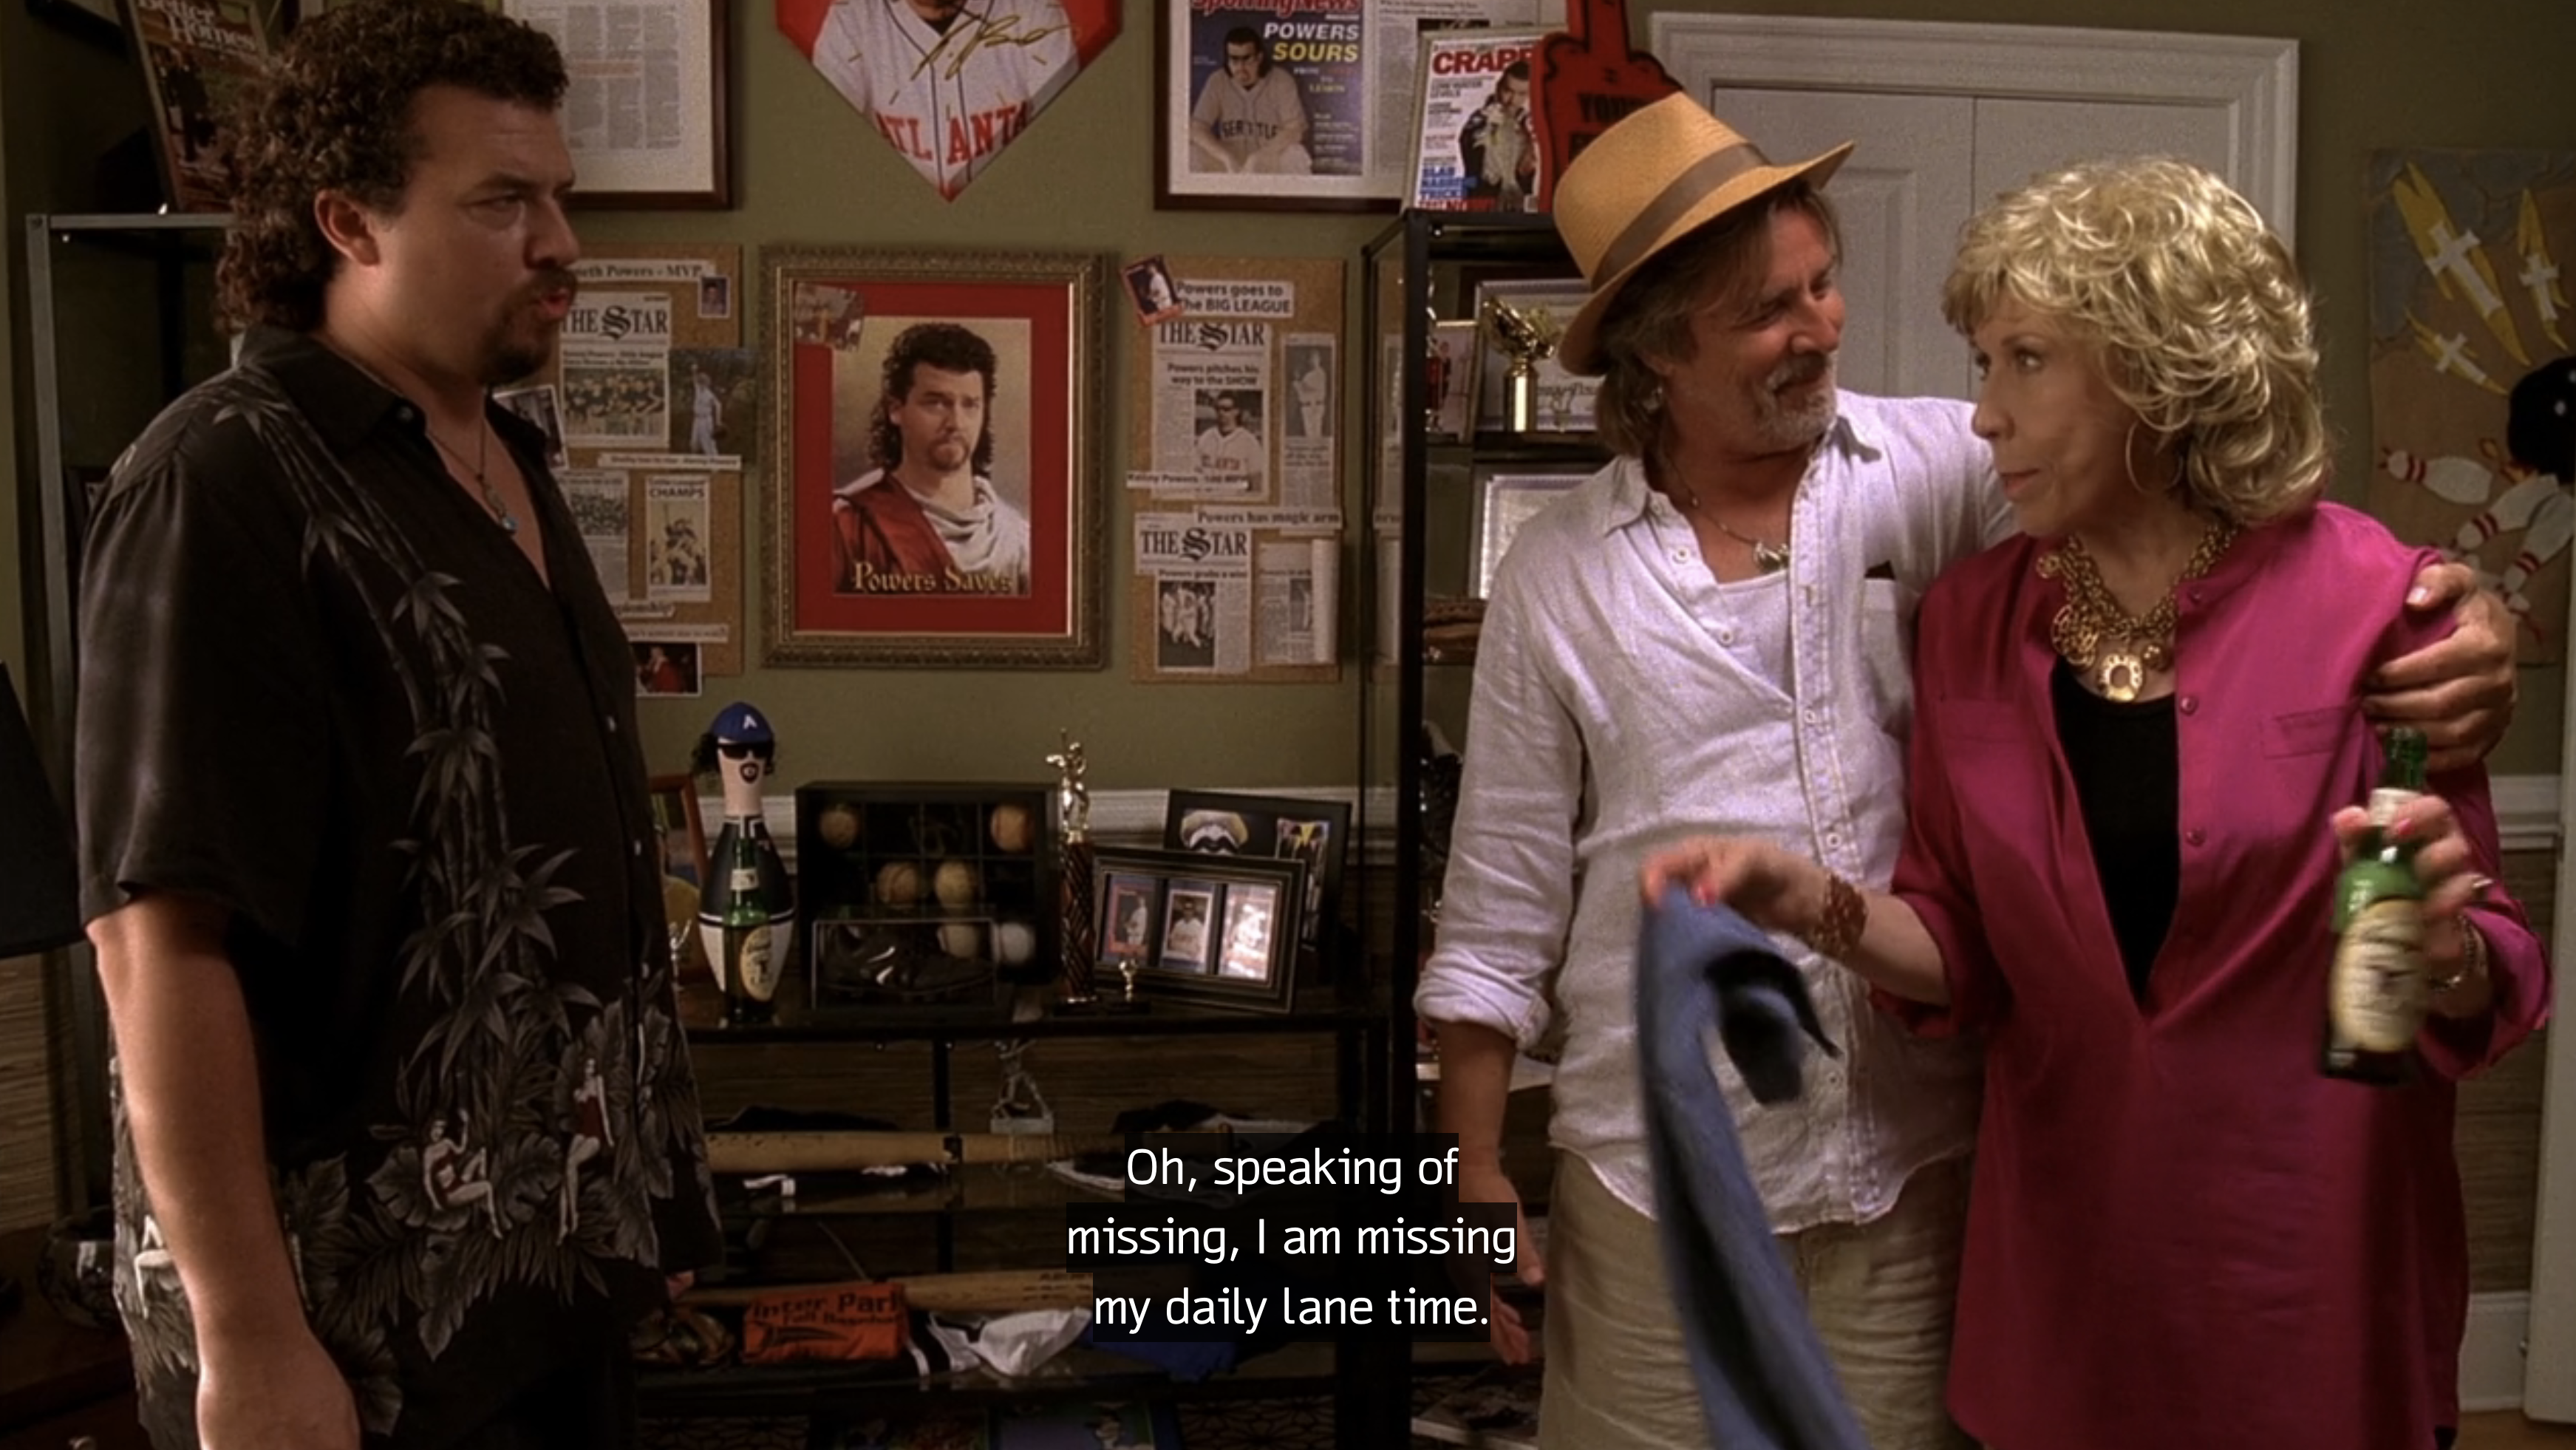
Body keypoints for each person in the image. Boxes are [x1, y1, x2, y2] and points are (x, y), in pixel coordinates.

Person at [1414, 95, 2518, 1450]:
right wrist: (1472, 1165)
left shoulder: (1945, 471)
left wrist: (2470, 617)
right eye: (1768, 309)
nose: (1822, 326)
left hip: (1951, 1168)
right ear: (1658, 347)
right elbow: (1501, 898)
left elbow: (2202, 526)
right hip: (1675, 1168)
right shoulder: (1573, 578)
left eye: (1823, 283)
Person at [72, 4, 725, 1448]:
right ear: (348, 221)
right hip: (348, 1334)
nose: (559, 242)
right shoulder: (222, 483)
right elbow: (157, 940)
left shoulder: (499, 455)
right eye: (502, 202)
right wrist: (250, 1341)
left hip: (544, 1278)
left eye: (560, 196)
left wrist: (642, 1191)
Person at [789, 0, 1080, 200]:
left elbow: (1066, 151)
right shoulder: (853, 17)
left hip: (1015, 223)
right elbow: (825, 156)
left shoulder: (1033, 9)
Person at [831, 321, 1033, 595]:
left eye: (970, 405)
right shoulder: (847, 526)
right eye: (936, 403)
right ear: (896, 409)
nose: (956, 423)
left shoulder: (1018, 541)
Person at [1187, 28, 1311, 175]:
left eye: (1247, 59)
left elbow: (1295, 129)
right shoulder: (1218, 80)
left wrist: (1260, 156)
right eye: (1234, 60)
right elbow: (1197, 128)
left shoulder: (1281, 80)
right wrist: (1226, 158)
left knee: (1296, 154)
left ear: (1259, 58)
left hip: (1269, 162)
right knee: (1191, 154)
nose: (1240, 67)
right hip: (1230, 164)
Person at [1459, 59, 1537, 211]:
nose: (1513, 100)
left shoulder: (1533, 122)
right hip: (1486, 203)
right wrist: (1485, 126)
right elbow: (1468, 140)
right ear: (1499, 88)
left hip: (1526, 206)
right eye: (1508, 91)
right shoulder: (1484, 115)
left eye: (1522, 94)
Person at [1194, 391, 1264, 484]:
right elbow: (1195, 472)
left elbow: (1256, 479)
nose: (1221, 413)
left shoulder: (1249, 442)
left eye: (1226, 409)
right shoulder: (1206, 437)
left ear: (1236, 411)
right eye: (1218, 409)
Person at [1289, 350, 1331, 438]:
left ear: (1319, 359)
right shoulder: (1308, 375)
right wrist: (1297, 382)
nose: (1313, 361)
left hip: (1316, 406)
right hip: (1306, 406)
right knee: (1309, 435)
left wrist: (1298, 383)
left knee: (1316, 435)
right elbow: (1301, 391)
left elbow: (1309, 388)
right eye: (1311, 359)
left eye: (1315, 358)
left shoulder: (1321, 373)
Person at [686, 364, 721, 456]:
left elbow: (718, 405)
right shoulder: (698, 389)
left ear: (706, 384)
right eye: (700, 382)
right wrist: (694, 371)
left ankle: (715, 463)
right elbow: (694, 380)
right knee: (694, 443)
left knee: (708, 443)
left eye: (702, 383)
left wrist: (718, 421)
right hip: (697, 419)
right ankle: (695, 462)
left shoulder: (709, 394)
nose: (700, 384)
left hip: (706, 420)